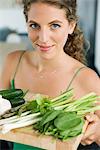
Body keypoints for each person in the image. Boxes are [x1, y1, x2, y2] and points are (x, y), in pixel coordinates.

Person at [0, 0, 100, 149]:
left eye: (55, 25)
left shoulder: (86, 79)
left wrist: (97, 133)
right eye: (35, 25)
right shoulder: (13, 62)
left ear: (71, 26)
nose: (43, 38)